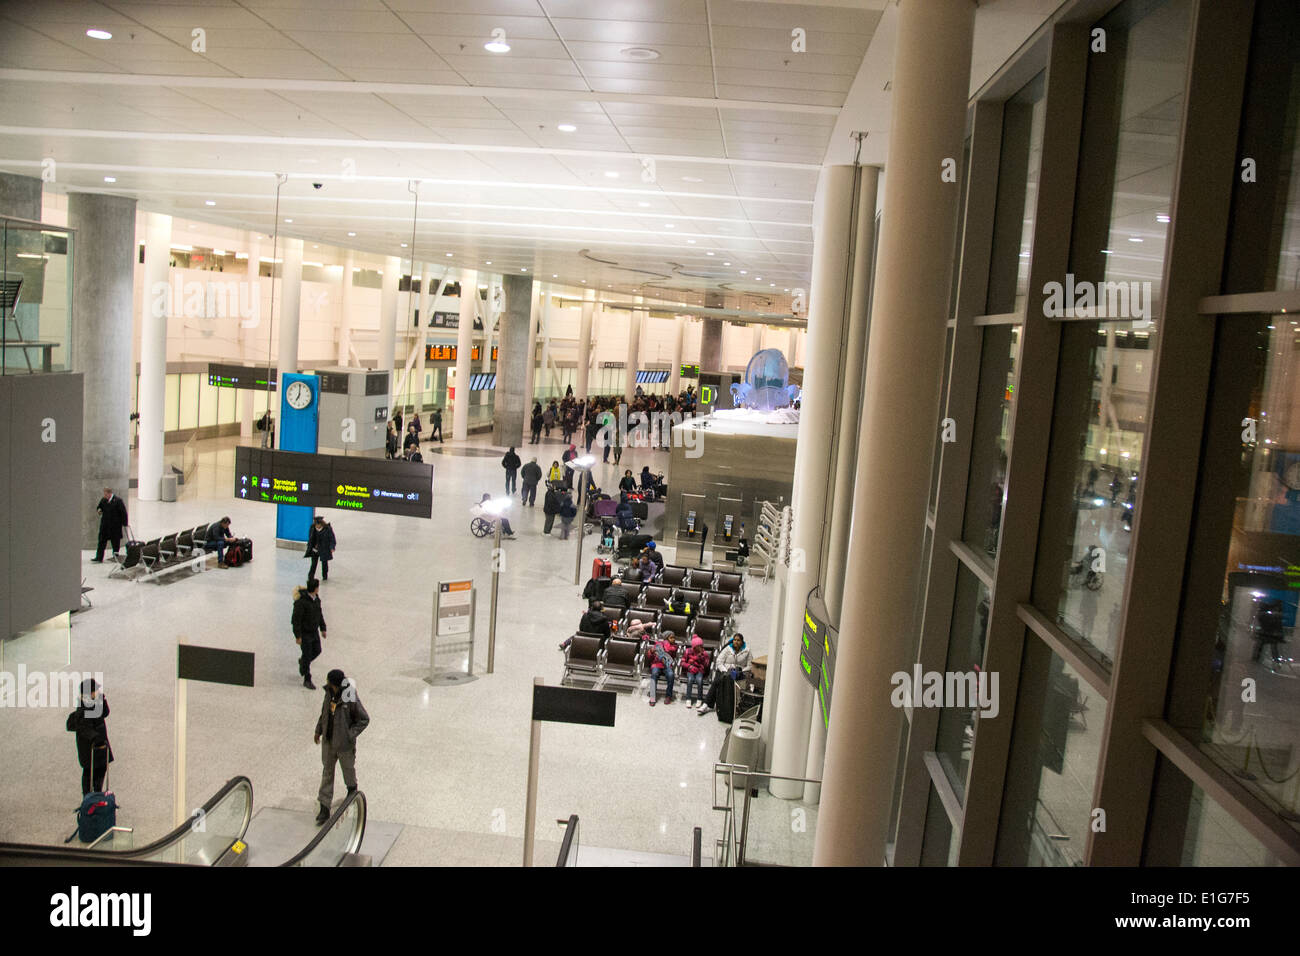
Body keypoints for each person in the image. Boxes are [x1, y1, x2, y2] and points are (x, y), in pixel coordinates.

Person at [313, 669, 369, 825]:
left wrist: (349, 735)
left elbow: (364, 719)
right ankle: (324, 806)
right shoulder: (328, 693)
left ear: (336, 684)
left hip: (344, 745)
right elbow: (324, 712)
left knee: (348, 770)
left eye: (330, 683)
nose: (328, 685)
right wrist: (318, 730)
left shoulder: (349, 695)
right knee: (327, 773)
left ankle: (352, 791)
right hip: (329, 742)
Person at [66, 677, 112, 795]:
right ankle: (88, 796)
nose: (98, 692)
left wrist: (102, 700)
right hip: (90, 747)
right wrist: (96, 738)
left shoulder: (95, 702)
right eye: (96, 690)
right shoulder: (83, 709)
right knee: (90, 771)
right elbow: (84, 728)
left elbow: (105, 713)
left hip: (100, 744)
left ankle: (96, 793)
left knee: (101, 768)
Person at [699, 633, 752, 716]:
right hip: (725, 670)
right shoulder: (727, 649)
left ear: (742, 642)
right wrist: (725, 671)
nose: (736, 642)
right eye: (735, 640)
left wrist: (740, 671)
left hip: (739, 673)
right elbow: (719, 662)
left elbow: (750, 666)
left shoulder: (747, 651)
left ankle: (735, 707)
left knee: (739, 685)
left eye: (738, 640)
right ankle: (706, 704)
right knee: (717, 681)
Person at [292, 578, 327, 689]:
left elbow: (319, 614)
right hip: (305, 633)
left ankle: (303, 662)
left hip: (314, 632)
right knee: (307, 655)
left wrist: (323, 628)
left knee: (317, 650)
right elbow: (295, 620)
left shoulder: (317, 599)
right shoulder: (301, 602)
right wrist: (298, 636)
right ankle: (307, 678)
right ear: (316, 588)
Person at [93, 488, 129, 563]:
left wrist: (125, 524)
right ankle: (99, 557)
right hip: (105, 526)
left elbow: (123, 513)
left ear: (109, 493)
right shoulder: (103, 500)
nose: (104, 496)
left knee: (115, 542)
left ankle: (115, 557)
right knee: (101, 541)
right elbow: (99, 507)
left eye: (105, 494)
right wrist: (99, 510)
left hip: (115, 526)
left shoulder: (118, 501)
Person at [646, 631, 678, 706]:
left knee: (671, 675)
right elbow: (650, 657)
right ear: (666, 638)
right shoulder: (658, 644)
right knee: (654, 674)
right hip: (657, 664)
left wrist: (666, 644)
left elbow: (669, 651)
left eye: (674, 638)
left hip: (667, 665)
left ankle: (668, 696)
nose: (673, 639)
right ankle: (652, 697)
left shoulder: (675, 646)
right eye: (671, 638)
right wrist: (651, 651)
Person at [681, 637, 710, 709]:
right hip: (690, 669)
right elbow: (682, 662)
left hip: (700, 670)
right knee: (690, 680)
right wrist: (689, 666)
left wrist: (702, 657)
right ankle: (688, 698)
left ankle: (699, 699)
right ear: (694, 646)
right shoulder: (688, 651)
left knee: (699, 681)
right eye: (698, 646)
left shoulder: (704, 653)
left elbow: (706, 665)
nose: (699, 648)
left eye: (701, 646)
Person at [305, 515, 336, 581]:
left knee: (324, 563)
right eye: (316, 524)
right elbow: (310, 538)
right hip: (315, 549)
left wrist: (332, 547)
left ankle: (325, 576)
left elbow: (332, 538)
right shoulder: (312, 528)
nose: (317, 526)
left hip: (324, 549)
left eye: (318, 525)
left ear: (321, 524)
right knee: (313, 564)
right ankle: (310, 576)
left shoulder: (327, 529)